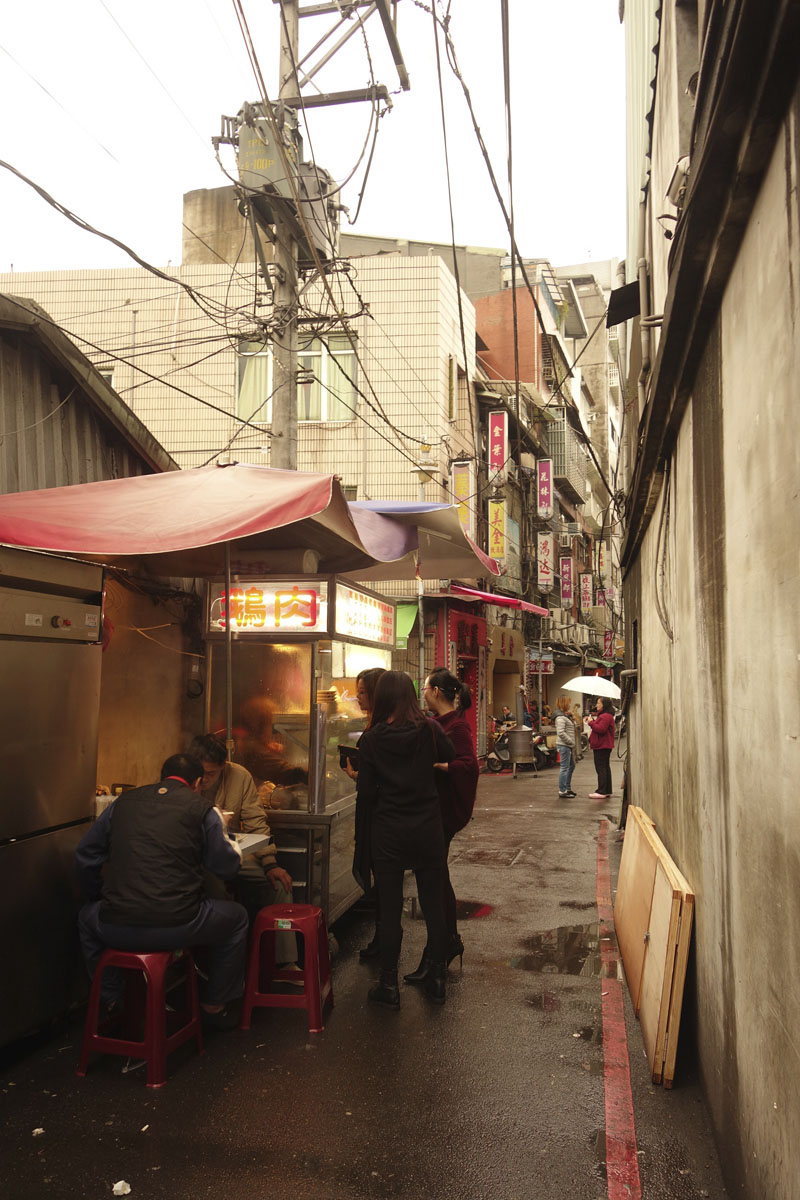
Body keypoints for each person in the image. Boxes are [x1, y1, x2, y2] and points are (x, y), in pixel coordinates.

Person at [75, 753, 249, 1027]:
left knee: (86, 918)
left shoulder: (122, 803)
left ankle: (111, 998)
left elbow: (85, 856)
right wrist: (224, 834)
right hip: (178, 926)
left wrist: (98, 897)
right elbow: (227, 867)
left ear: (161, 776)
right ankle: (214, 1005)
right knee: (238, 917)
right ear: (198, 782)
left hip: (116, 925)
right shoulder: (204, 809)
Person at [354, 671, 455, 1009]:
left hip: (389, 833)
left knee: (390, 909)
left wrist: (363, 776)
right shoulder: (428, 729)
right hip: (427, 828)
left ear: (381, 698)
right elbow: (450, 753)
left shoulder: (370, 740)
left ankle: (388, 984)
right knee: (433, 905)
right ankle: (438, 978)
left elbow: (366, 793)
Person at [188, 733, 297, 969]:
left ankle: (284, 962)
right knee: (216, 886)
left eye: (212, 774)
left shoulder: (239, 776)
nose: (205, 779)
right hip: (197, 859)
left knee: (279, 884)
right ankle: (222, 964)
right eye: (202, 773)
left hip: (233, 851)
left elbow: (256, 820)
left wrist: (270, 863)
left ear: (223, 766)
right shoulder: (186, 778)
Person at [403, 667, 479, 986]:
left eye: (425, 687)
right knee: (437, 879)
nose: (422, 692)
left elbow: (469, 766)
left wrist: (439, 765)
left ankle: (441, 947)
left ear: (435, 691)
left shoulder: (456, 726)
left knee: (434, 881)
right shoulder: (436, 723)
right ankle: (447, 943)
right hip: (431, 812)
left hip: (441, 815)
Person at [341, 667, 385, 960]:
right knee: (383, 884)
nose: (357, 697)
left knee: (384, 884)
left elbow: (376, 782)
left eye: (361, 692)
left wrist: (357, 776)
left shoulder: (378, 732)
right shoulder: (377, 726)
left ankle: (385, 961)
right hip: (378, 815)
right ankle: (382, 943)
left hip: (378, 817)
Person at [587, 697, 616, 799]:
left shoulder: (605, 716)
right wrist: (593, 722)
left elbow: (601, 729)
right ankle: (606, 790)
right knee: (605, 767)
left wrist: (591, 723)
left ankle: (601, 791)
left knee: (601, 768)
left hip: (602, 745)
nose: (596, 705)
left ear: (604, 705)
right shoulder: (606, 716)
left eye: (598, 703)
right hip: (604, 745)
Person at [554, 695, 577, 799]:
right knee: (564, 767)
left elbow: (572, 727)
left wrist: (571, 717)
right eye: (568, 702)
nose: (570, 704)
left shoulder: (564, 716)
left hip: (567, 745)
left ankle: (567, 788)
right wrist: (570, 742)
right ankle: (562, 790)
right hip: (564, 745)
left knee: (571, 765)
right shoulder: (560, 717)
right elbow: (561, 732)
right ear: (564, 703)